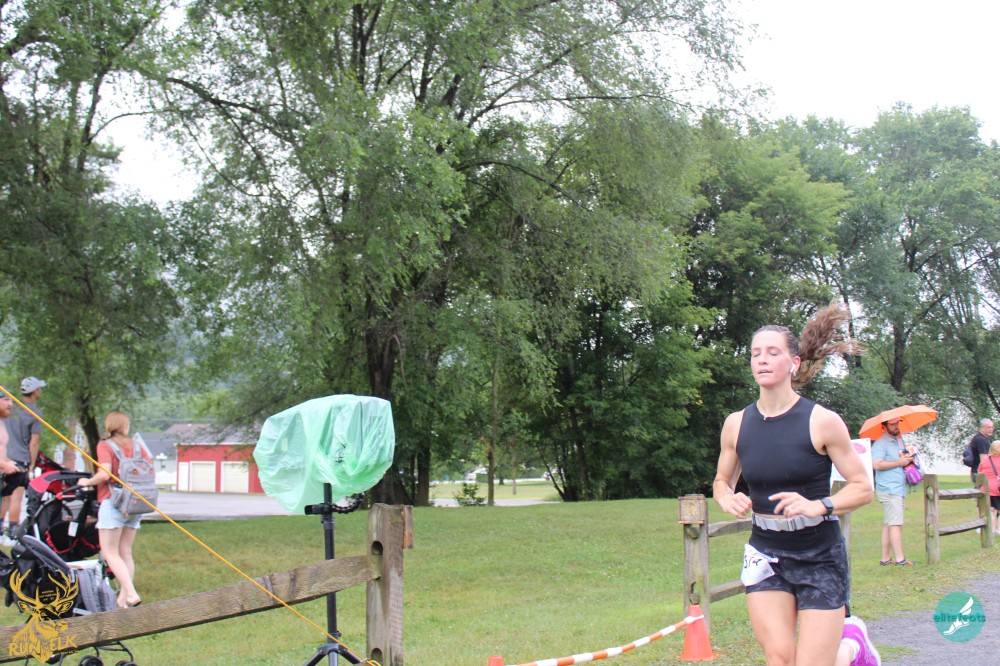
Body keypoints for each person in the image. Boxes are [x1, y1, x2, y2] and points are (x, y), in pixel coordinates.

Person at [713, 303, 878, 666]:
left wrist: (820, 505)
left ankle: (854, 647)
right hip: (766, 554)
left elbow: (863, 487)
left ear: (794, 363)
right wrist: (726, 497)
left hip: (819, 554)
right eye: (756, 353)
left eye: (773, 352)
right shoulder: (736, 424)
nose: (762, 359)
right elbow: (722, 481)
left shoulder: (822, 421)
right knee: (780, 660)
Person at [77, 411, 147, 608]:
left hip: (114, 502)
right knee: (125, 552)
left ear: (109, 426)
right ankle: (123, 600)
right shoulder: (137, 447)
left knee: (109, 552)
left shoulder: (105, 445)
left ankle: (131, 593)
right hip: (136, 503)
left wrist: (86, 482)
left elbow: (105, 473)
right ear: (125, 426)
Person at [0, 376, 46, 545]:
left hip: (5, 456)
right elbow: (34, 441)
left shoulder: (11, 410)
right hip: (20, 458)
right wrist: (32, 463)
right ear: (35, 391)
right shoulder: (34, 413)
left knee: (4, 495)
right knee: (16, 496)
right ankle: (13, 530)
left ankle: (0, 527)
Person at [871, 418, 917, 566]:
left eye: (897, 423)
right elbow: (877, 465)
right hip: (889, 488)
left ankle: (885, 559)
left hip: (898, 486)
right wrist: (899, 462)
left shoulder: (899, 441)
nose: (896, 426)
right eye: (892, 424)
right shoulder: (880, 444)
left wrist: (908, 458)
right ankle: (900, 559)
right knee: (896, 523)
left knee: (889, 523)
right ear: (884, 426)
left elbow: (901, 459)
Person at [976, 440, 1000, 534]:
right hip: (998, 488)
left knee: (990, 509)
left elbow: (979, 474)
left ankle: (991, 529)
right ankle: (999, 530)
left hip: (986, 488)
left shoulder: (985, 460)